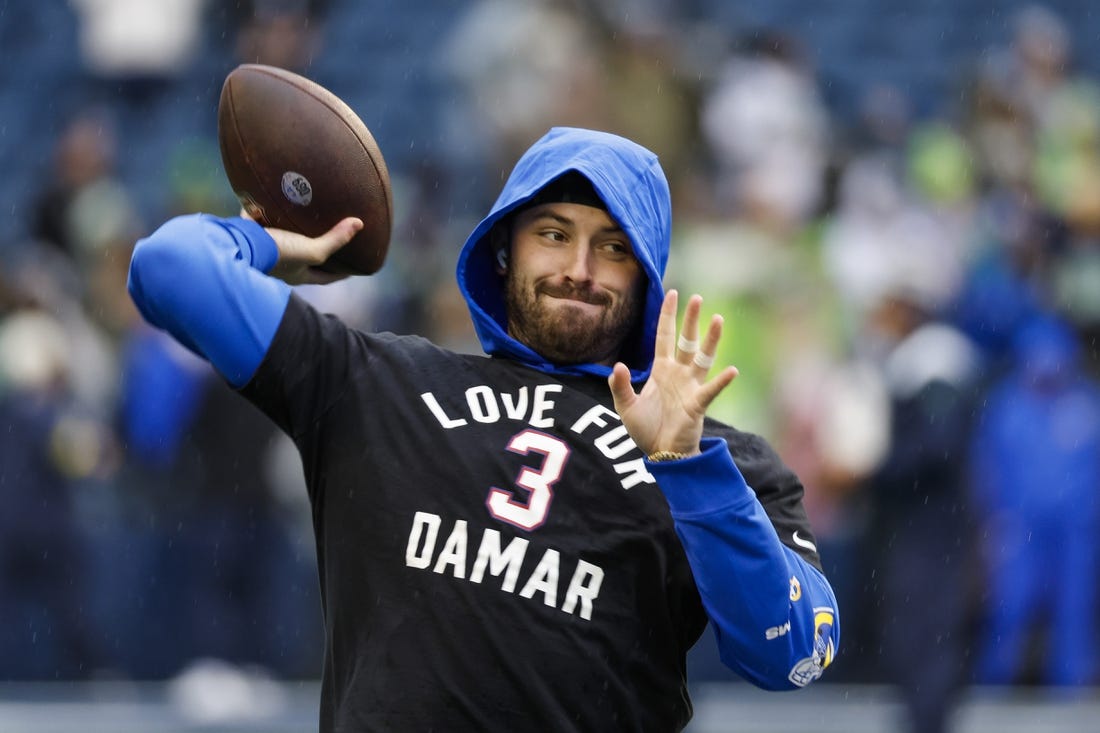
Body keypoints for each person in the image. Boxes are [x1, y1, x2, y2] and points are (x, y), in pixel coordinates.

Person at [128, 126, 840, 731]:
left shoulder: (718, 460)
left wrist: (684, 464)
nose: (579, 269)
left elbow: (791, 653)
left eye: (614, 247)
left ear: (648, 275)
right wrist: (274, 248)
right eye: (553, 234)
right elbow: (169, 268)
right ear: (505, 252)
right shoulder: (377, 382)